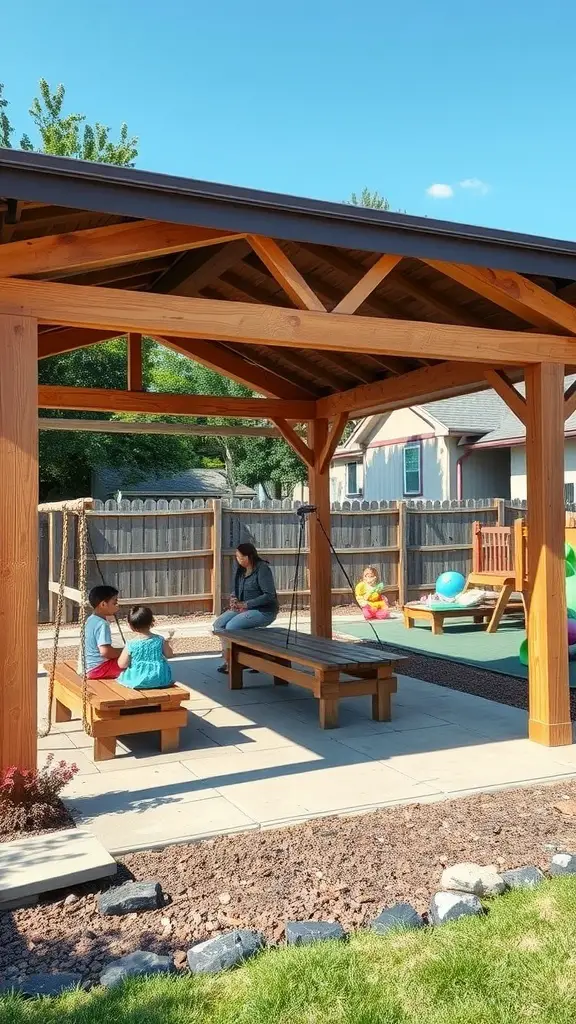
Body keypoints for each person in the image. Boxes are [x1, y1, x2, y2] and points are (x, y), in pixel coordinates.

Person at [213, 542, 279, 672]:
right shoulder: (240, 570)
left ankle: (242, 661)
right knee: (219, 624)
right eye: (237, 557)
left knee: (232, 626)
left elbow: (269, 595)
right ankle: (228, 659)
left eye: (241, 557)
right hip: (243, 608)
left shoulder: (262, 569)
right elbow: (237, 590)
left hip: (263, 610)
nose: (239, 560)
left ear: (250, 556)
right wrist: (233, 598)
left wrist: (247, 604)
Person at [117, 605, 174, 689]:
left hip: (137, 680)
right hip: (160, 679)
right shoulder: (160, 640)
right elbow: (169, 655)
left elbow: (122, 664)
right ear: (152, 621)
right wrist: (167, 643)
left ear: (130, 626)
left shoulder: (131, 644)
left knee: (122, 678)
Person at [79, 585, 124, 679]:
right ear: (103, 604)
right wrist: (124, 652)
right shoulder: (102, 624)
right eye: (114, 603)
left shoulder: (90, 620)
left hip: (86, 667)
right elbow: (105, 652)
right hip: (97, 669)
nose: (117, 606)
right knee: (130, 662)